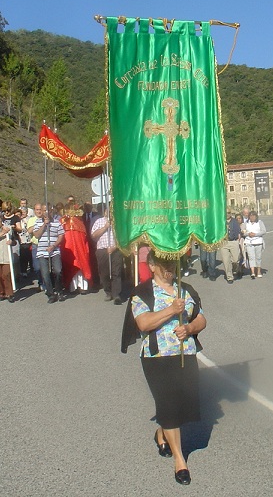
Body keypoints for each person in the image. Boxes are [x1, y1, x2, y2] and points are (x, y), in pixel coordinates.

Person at [122, 250, 207, 486]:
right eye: (163, 263)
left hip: (184, 354)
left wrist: (189, 329)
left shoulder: (185, 290)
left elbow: (201, 318)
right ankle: (180, 460)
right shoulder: (142, 293)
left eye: (172, 262)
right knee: (167, 403)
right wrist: (171, 310)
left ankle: (161, 433)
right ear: (151, 265)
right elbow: (143, 322)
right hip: (156, 357)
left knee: (182, 403)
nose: (169, 267)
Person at [91, 204, 123, 304]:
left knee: (116, 272)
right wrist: (105, 227)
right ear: (104, 212)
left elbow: (122, 238)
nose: (109, 213)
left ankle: (116, 294)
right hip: (102, 250)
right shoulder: (98, 222)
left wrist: (114, 247)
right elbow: (93, 235)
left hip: (115, 249)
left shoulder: (118, 222)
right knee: (104, 273)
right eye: (108, 211)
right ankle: (108, 292)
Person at [33, 204, 65, 303]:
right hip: (42, 251)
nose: (46, 213)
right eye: (44, 211)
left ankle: (59, 290)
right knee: (45, 274)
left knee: (58, 270)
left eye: (48, 211)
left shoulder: (56, 223)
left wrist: (54, 245)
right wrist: (44, 225)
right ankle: (51, 294)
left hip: (54, 251)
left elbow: (61, 236)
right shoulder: (38, 222)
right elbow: (36, 235)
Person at [60, 202, 92, 294]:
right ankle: (72, 286)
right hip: (68, 247)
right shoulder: (63, 220)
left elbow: (84, 236)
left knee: (81, 264)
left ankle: (82, 286)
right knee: (71, 265)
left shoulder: (79, 220)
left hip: (79, 247)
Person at [220, 213, 242, 283]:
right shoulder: (221, 221)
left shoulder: (235, 221)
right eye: (226, 213)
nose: (227, 214)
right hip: (224, 242)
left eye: (229, 213)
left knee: (235, 260)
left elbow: (238, 231)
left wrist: (239, 240)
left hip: (233, 241)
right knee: (226, 261)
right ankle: (229, 277)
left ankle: (235, 269)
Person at [243, 210, 266, 278]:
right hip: (249, 242)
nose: (252, 217)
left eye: (254, 216)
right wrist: (248, 234)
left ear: (256, 216)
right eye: (251, 216)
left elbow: (264, 231)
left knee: (258, 257)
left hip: (258, 242)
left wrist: (255, 234)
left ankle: (258, 271)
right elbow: (243, 232)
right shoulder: (246, 223)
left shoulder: (260, 222)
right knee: (251, 257)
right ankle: (252, 272)